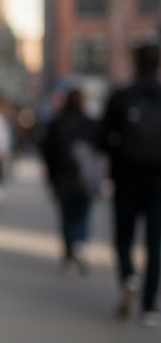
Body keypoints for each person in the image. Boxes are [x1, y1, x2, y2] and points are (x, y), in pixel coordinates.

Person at [98, 40, 161, 326]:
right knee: (154, 243)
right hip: (158, 181)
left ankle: (128, 277)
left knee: (124, 237)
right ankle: (149, 307)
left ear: (135, 63)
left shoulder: (122, 96)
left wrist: (119, 154)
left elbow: (102, 138)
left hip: (125, 179)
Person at [40, 86, 100, 274]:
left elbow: (48, 154)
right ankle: (79, 246)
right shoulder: (90, 123)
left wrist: (51, 179)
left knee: (67, 217)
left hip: (63, 178)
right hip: (84, 178)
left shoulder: (57, 123)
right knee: (82, 214)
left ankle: (69, 254)